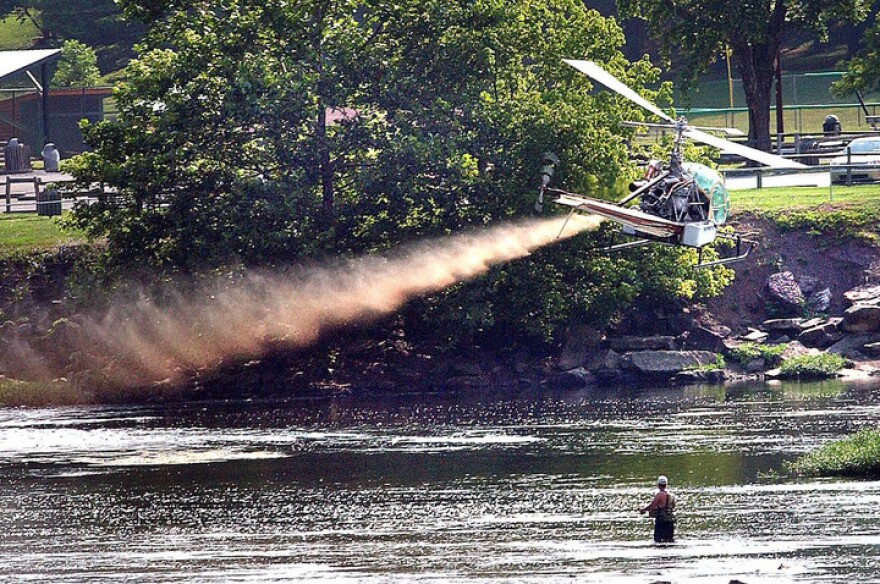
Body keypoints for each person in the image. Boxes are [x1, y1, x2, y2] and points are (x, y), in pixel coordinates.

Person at [639, 475, 676, 543]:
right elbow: (673, 506)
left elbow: (652, 506)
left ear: (658, 485)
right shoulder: (672, 495)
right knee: (669, 541)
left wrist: (643, 510)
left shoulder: (659, 495)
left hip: (661, 521)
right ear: (666, 484)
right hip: (670, 521)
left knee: (658, 541)